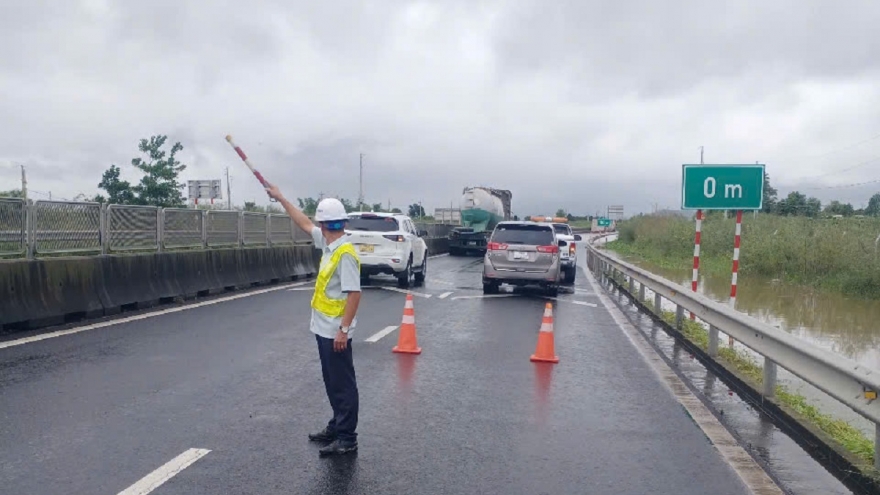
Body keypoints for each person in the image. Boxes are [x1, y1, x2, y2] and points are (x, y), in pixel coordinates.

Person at [265, 182, 362, 457]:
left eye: (321, 223)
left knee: (342, 384)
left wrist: (343, 330)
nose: (317, 227)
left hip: (335, 331)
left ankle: (347, 438)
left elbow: (354, 294)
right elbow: (304, 224)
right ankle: (337, 426)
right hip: (323, 328)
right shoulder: (330, 243)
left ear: (328, 224)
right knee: (331, 381)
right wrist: (282, 198)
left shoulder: (345, 254)